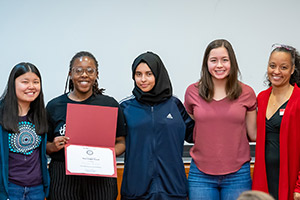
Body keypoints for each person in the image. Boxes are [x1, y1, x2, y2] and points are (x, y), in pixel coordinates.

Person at [46, 51, 126, 200]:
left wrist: (108, 154)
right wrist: (53, 146)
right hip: (63, 177)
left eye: (90, 70)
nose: (84, 75)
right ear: (70, 74)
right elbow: (45, 145)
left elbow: (121, 142)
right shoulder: (54, 106)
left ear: (96, 74)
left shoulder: (109, 105)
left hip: (101, 177)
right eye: (79, 70)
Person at [184, 39, 257, 200]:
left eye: (225, 60)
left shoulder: (247, 93)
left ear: (232, 62)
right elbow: (192, 128)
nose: (219, 65)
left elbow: (253, 134)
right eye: (213, 60)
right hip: (200, 175)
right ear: (206, 64)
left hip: (238, 174)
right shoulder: (192, 92)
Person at [120, 51, 194, 200]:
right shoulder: (125, 108)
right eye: (138, 74)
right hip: (136, 190)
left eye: (149, 74)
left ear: (158, 74)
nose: (143, 79)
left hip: (173, 188)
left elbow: (195, 135)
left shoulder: (175, 105)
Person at [252, 44, 300, 200]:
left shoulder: (298, 99)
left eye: (284, 67)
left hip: (290, 180)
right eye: (272, 66)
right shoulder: (261, 98)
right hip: (264, 178)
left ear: (293, 69)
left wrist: (299, 185)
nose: (276, 71)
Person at [0, 62, 49, 200]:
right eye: (25, 82)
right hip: (9, 188)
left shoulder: (40, 113)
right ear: (13, 84)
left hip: (36, 189)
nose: (31, 87)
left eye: (36, 82)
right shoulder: (1, 114)